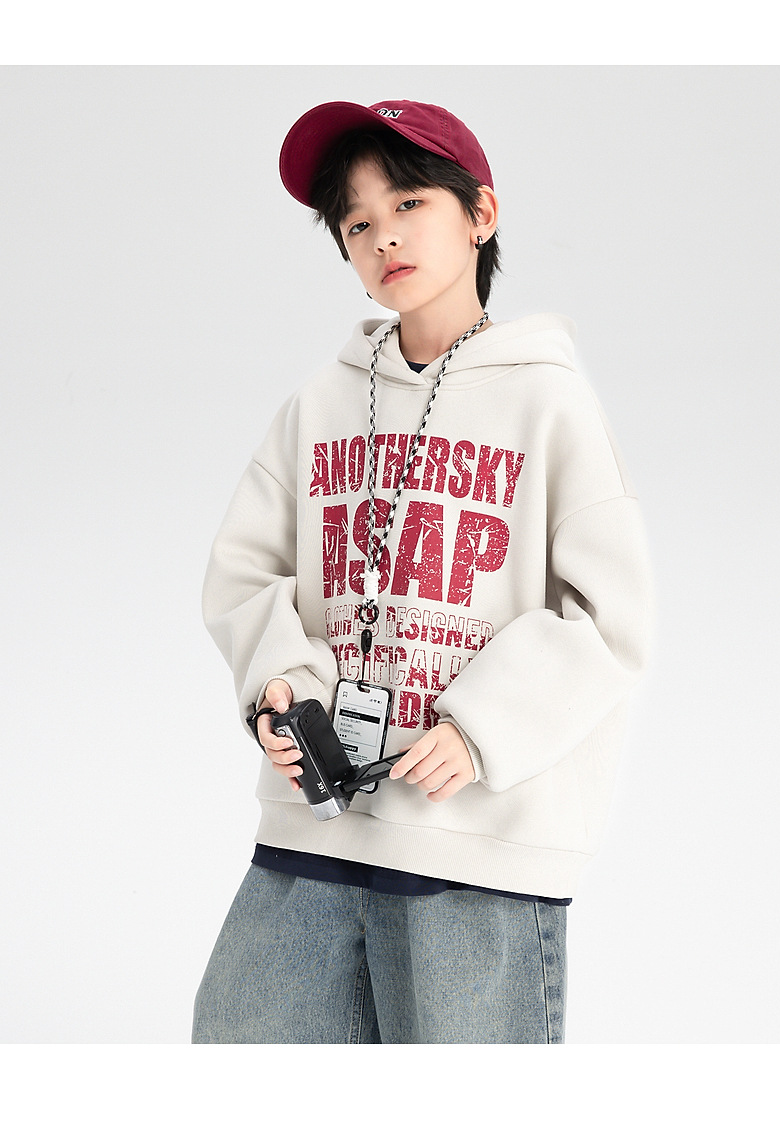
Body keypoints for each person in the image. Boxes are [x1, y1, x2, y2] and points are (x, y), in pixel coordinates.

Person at [191, 99, 653, 1044]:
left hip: (475, 847)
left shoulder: (549, 401)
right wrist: (282, 683)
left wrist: (483, 729)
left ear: (481, 213)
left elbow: (611, 615)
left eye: (408, 203)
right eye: (357, 222)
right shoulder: (320, 402)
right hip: (314, 828)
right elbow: (245, 568)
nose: (384, 236)